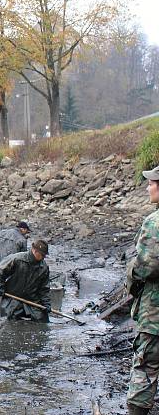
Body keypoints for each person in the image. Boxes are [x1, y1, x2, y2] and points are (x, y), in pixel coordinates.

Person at [125, 165, 159, 415]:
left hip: (155, 315)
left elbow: (147, 267)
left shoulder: (154, 222)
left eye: (151, 183)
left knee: (145, 366)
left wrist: (130, 275)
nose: (148, 187)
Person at [0, 240, 51, 322]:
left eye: (44, 255)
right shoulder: (17, 259)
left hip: (32, 300)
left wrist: (46, 303)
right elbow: (0, 271)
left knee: (43, 321)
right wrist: (0, 286)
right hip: (13, 297)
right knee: (7, 321)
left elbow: (44, 288)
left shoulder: (44, 267)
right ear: (34, 250)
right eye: (42, 255)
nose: (43, 257)